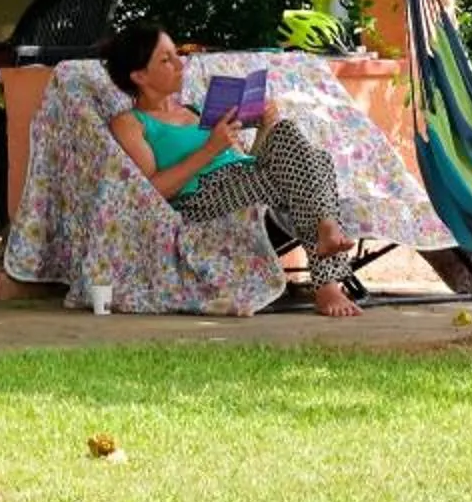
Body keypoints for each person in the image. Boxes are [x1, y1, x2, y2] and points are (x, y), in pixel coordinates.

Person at [101, 23, 361, 317]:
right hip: (201, 198)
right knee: (317, 166)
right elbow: (149, 192)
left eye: (176, 54)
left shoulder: (198, 111)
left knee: (299, 144)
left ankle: (326, 244)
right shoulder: (131, 123)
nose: (179, 64)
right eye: (166, 59)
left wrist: (264, 128)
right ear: (139, 76)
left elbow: (245, 161)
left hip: (243, 182)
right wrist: (209, 149)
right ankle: (327, 271)